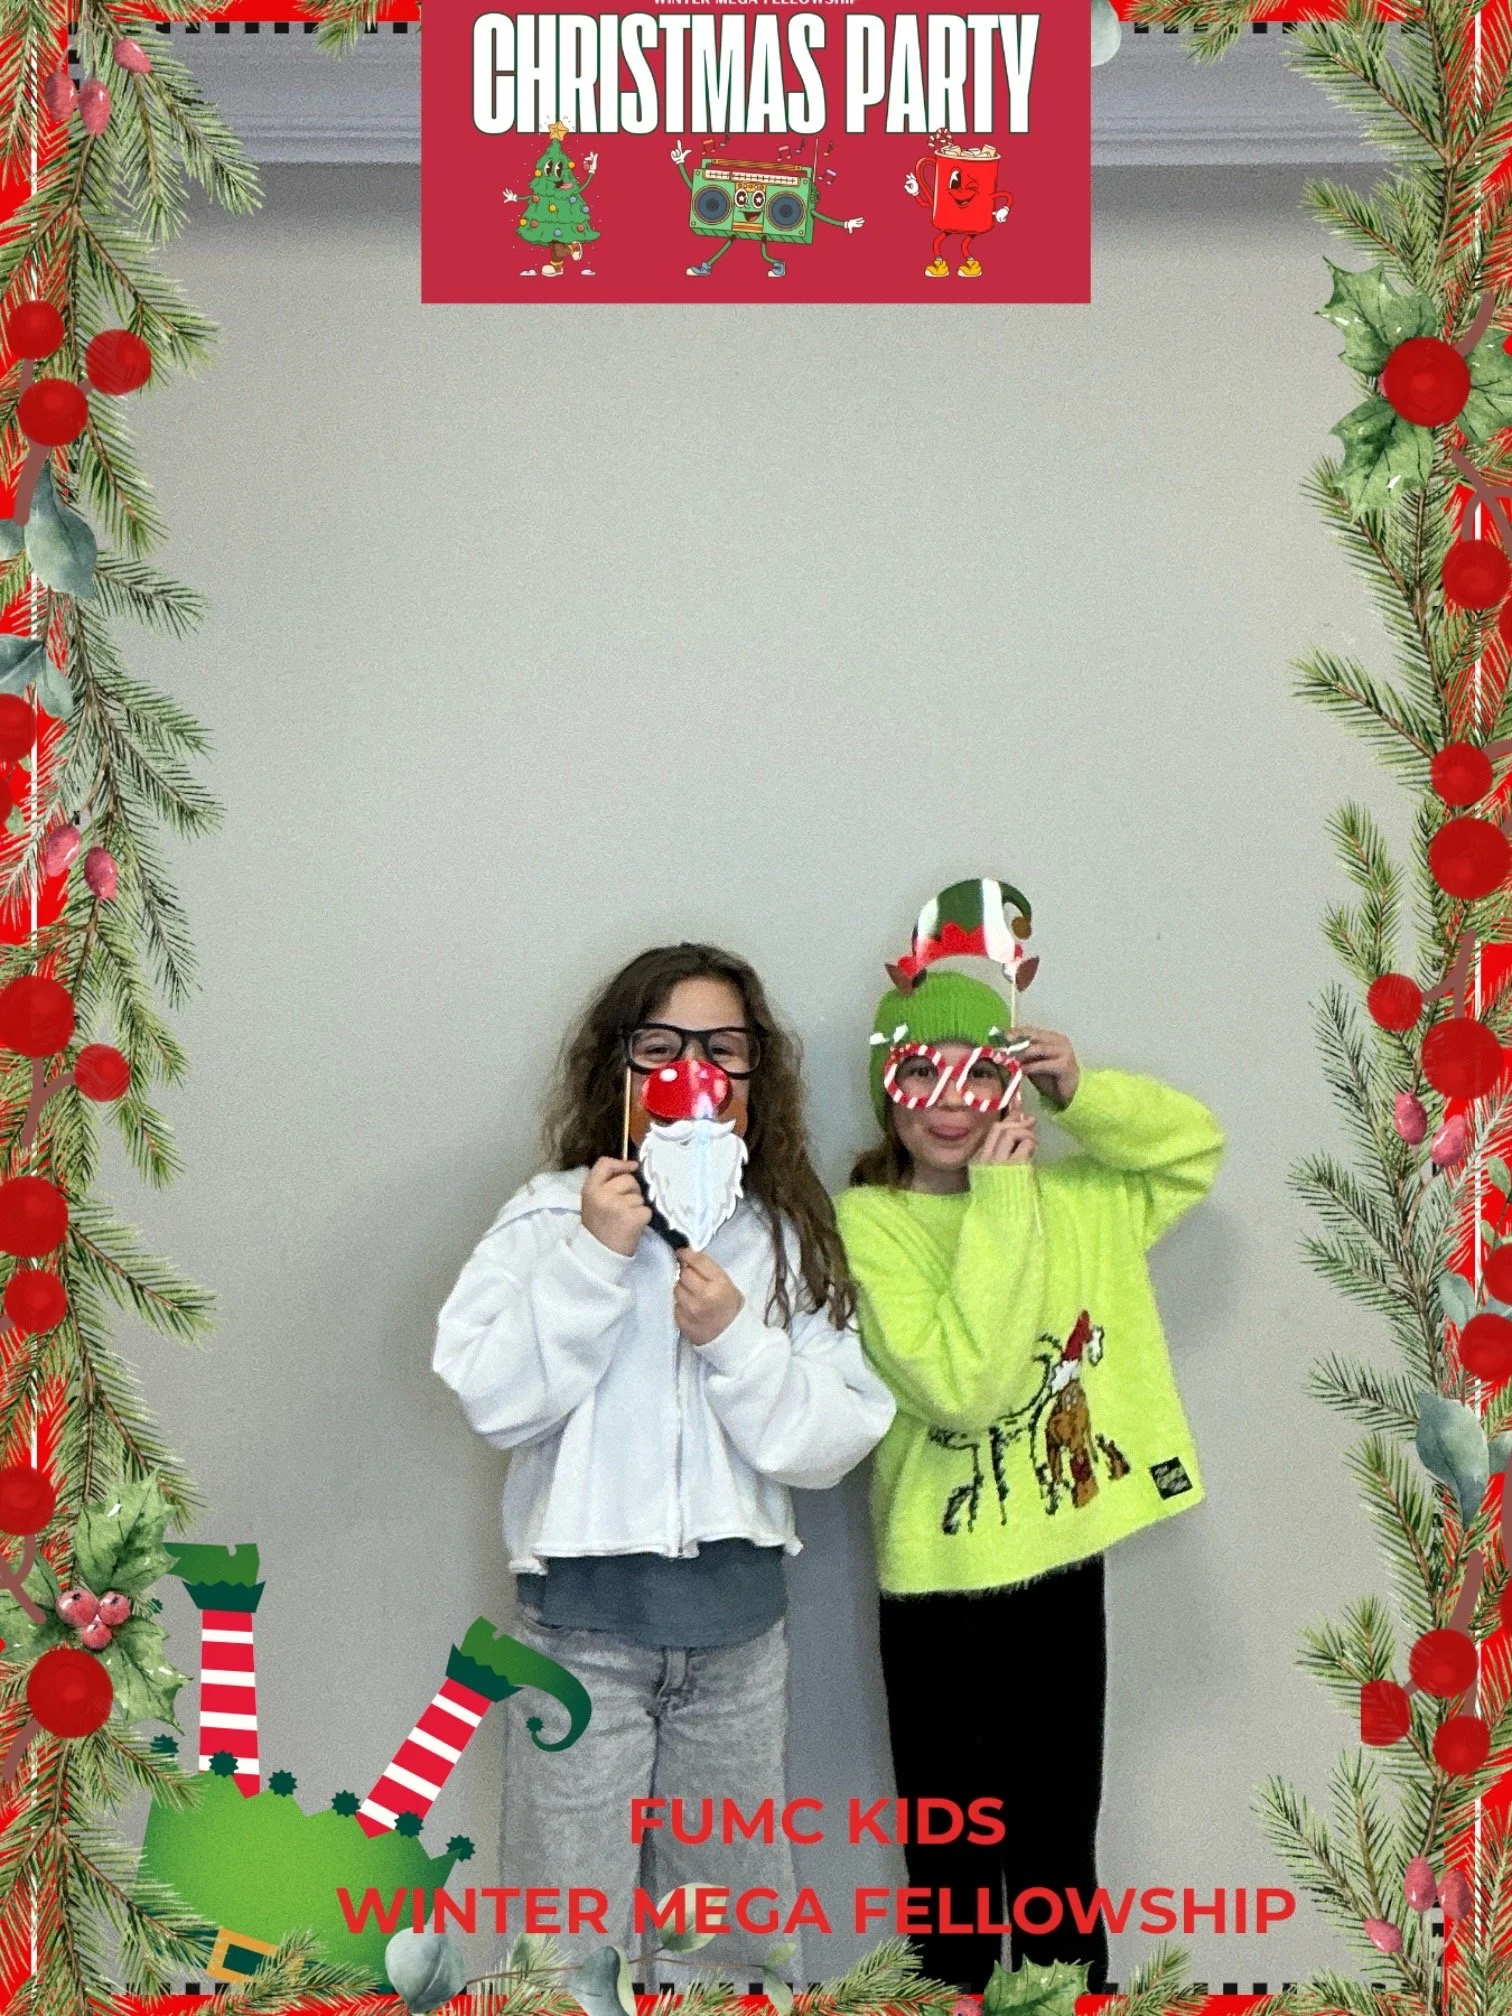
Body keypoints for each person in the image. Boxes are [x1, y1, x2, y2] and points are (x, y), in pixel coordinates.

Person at [433, 943, 896, 1972]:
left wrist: (735, 1339)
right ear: (622, 1070)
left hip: (737, 1650)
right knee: (567, 1939)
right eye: (663, 1046)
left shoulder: (784, 1238)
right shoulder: (552, 1218)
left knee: (727, 1939)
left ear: (753, 1077)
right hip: (579, 1644)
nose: (694, 1071)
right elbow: (489, 1393)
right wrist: (594, 1260)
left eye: (722, 1048)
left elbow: (834, 1433)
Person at [834, 957, 1222, 1995]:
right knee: (952, 1880)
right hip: (938, 1587)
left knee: (1057, 1862)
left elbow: (1191, 1149)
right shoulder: (869, 1222)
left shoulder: (1079, 1201)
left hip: (1058, 1569)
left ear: (1011, 1085)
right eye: (922, 1074)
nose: (951, 1104)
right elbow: (963, 1384)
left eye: (979, 1074)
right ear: (888, 1093)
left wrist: (1084, 1094)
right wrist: (1005, 1194)